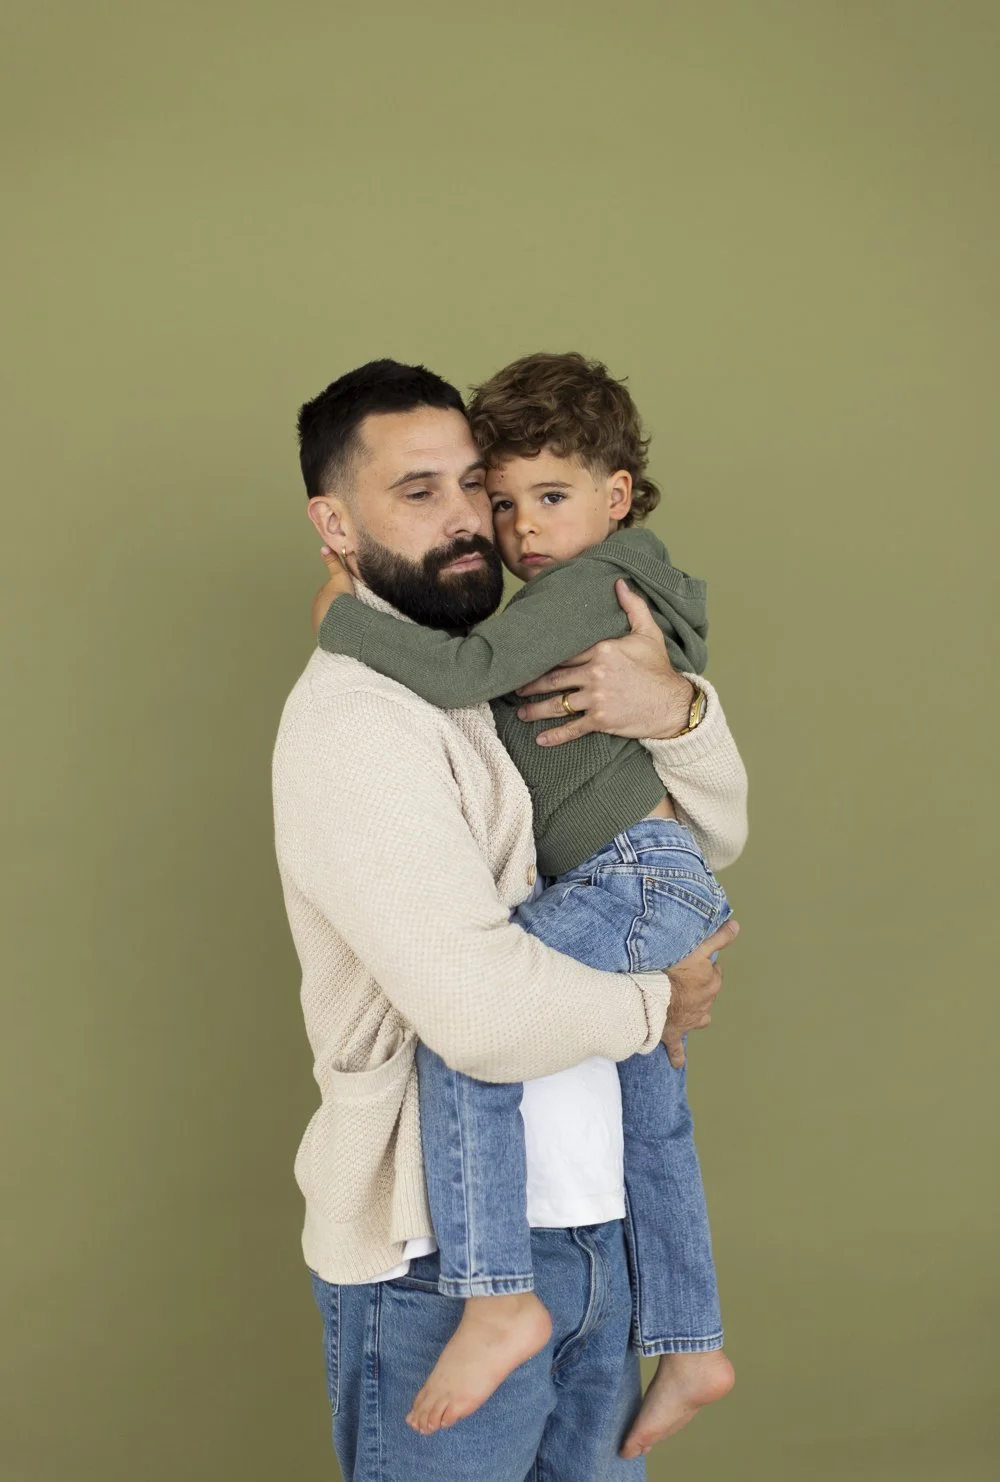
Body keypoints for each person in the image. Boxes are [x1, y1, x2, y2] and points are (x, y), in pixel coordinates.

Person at [272, 359, 746, 1482]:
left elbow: (707, 833)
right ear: (334, 523)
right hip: (437, 1257)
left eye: (475, 484)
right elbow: (477, 1013)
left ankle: (690, 1338)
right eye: (418, 491)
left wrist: (674, 710)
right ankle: (513, 1309)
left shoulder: (526, 657)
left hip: (589, 1229)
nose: (475, 521)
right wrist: (653, 999)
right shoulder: (365, 716)